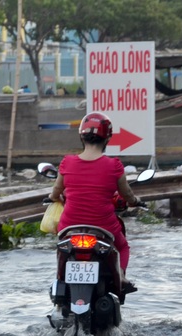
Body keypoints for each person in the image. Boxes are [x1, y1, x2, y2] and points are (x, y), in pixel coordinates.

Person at [49, 111, 142, 289]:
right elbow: (127, 195)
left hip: (69, 225)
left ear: (82, 137)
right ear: (107, 139)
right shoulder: (114, 165)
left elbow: (56, 191)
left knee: (62, 247)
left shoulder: (67, 162)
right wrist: (135, 201)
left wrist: (54, 198)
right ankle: (121, 276)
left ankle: (60, 277)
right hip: (104, 226)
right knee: (123, 247)